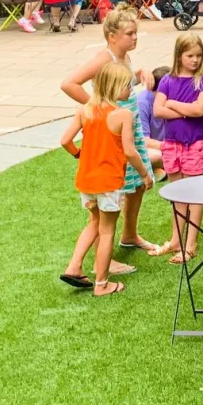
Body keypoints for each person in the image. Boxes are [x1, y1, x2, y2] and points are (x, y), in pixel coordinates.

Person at [60, 8, 163, 261]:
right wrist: (98, 109)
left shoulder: (124, 57)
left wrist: (138, 75)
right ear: (112, 36)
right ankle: (102, 258)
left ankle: (129, 234)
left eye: (136, 32)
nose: (135, 37)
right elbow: (69, 84)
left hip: (130, 128)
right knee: (108, 193)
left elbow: (119, 85)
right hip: (114, 132)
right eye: (129, 33)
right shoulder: (103, 58)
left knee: (135, 185)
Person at [58, 62, 153, 297]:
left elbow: (65, 141)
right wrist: (144, 174)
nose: (131, 89)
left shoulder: (85, 110)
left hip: (86, 181)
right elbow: (131, 152)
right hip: (109, 182)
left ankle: (74, 266)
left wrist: (80, 155)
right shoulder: (123, 115)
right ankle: (102, 284)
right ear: (113, 86)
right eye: (127, 85)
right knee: (107, 229)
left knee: (94, 222)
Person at [155, 31, 203, 265]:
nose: (195, 60)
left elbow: (200, 110)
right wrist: (184, 109)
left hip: (196, 143)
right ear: (179, 55)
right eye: (190, 55)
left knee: (194, 195)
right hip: (172, 144)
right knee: (177, 194)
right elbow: (158, 111)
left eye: (199, 55)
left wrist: (172, 103)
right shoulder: (167, 80)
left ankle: (190, 245)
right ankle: (175, 240)